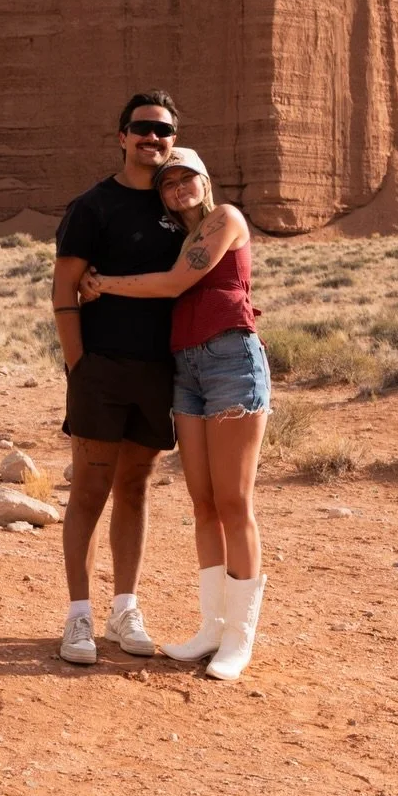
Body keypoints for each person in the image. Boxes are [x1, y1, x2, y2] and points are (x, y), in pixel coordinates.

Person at [79, 147, 269, 682]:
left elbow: (172, 285)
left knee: (235, 503)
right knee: (204, 503)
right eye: (169, 182)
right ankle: (211, 627)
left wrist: (102, 284)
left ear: (207, 181)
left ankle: (238, 638)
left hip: (232, 361)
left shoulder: (224, 219)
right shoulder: (181, 238)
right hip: (187, 370)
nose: (179, 186)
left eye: (188, 177)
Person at [51, 92, 182, 666]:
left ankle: (124, 608)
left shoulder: (179, 207)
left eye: (164, 130)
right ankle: (78, 617)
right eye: (143, 128)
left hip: (159, 371)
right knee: (89, 490)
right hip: (101, 369)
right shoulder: (92, 207)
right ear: (122, 136)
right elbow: (63, 291)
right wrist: (79, 367)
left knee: (135, 488)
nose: (153, 138)